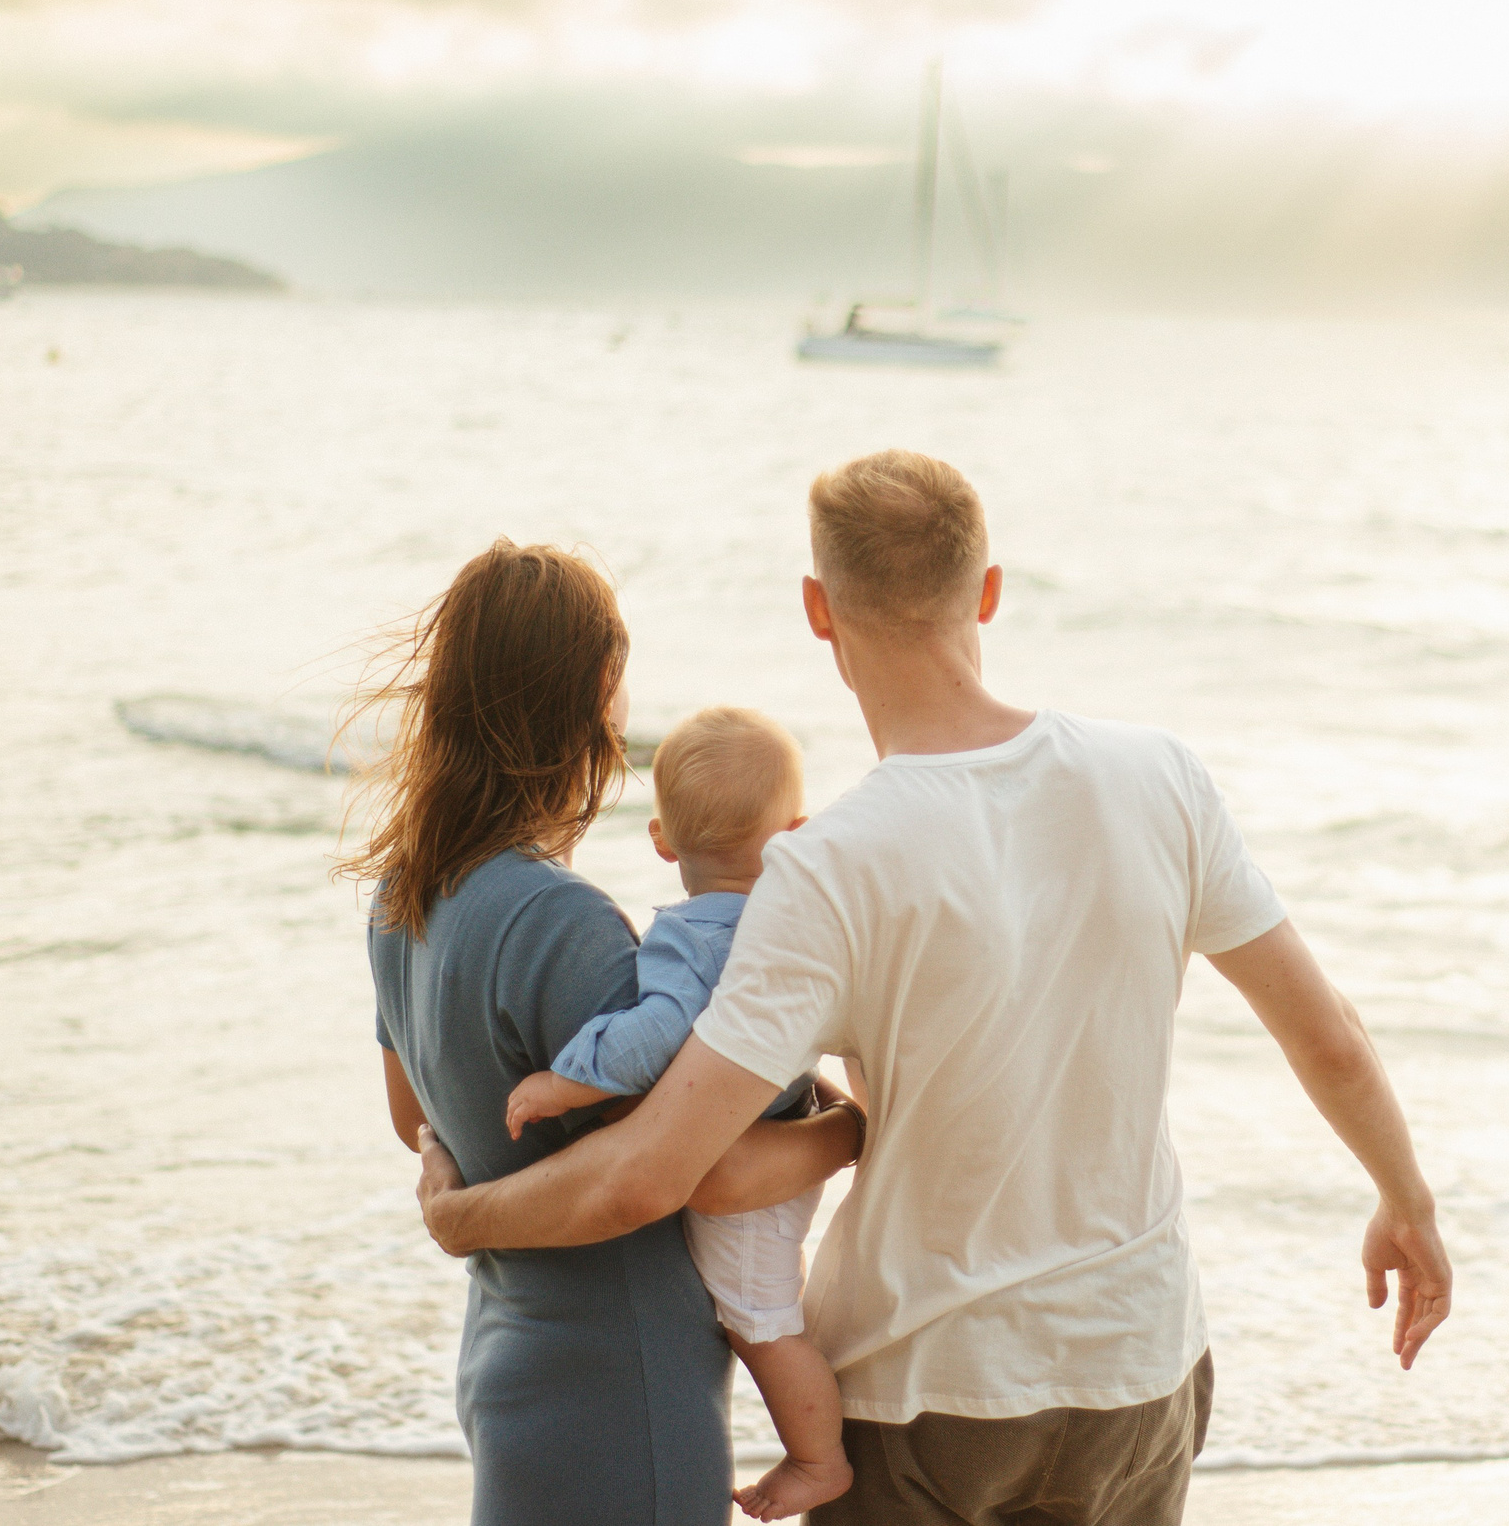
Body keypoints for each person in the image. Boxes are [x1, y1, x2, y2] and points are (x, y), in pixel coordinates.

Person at [414, 457, 1452, 1526]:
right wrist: (1404, 1198)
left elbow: (664, 1175)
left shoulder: (828, 868)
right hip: (1141, 1366)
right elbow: (1328, 1035)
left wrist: (463, 1217)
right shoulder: (1162, 777)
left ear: (820, 611)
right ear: (988, 591)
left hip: (929, 1394)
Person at [349, 540, 862, 1526]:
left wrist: (471, 1206)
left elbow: (416, 1117)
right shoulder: (563, 923)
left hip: (505, 1358)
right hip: (622, 1382)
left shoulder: (398, 896)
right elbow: (683, 1170)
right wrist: (856, 1127)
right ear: (597, 692)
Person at [502, 706, 854, 1522]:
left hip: (746, 1159)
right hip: (790, 1129)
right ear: (791, 836)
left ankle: (818, 1460)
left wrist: (566, 1080)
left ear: (662, 840)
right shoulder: (790, 927)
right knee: (769, 1297)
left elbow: (653, 1035)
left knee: (760, 1323)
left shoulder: (689, 940)